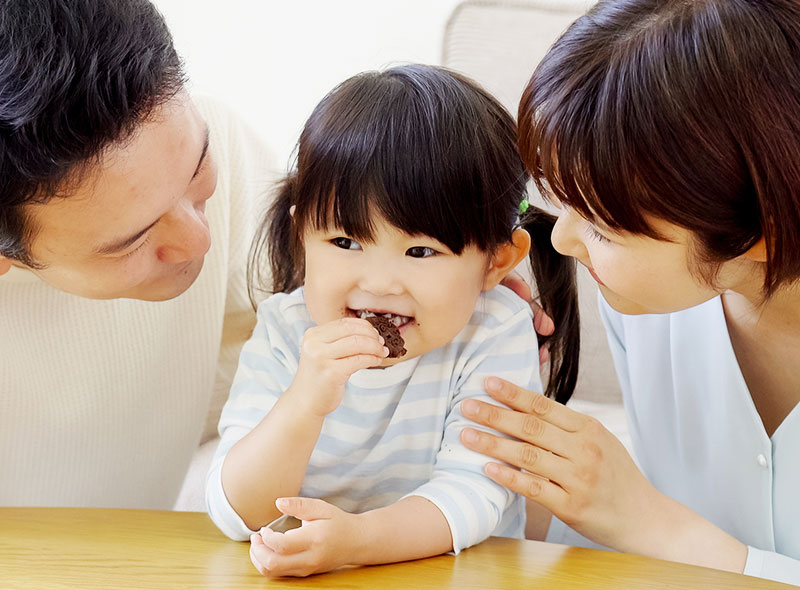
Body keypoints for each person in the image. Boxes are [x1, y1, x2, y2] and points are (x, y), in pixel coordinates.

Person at [458, 0, 800, 585]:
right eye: (562, 201)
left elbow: (654, 528)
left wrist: (649, 522)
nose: (562, 240)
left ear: (760, 234)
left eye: (600, 225)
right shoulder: (647, 307)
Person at [205, 64, 580, 578]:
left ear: (496, 261)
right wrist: (304, 402)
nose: (379, 282)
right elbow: (235, 512)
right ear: (301, 238)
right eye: (345, 243)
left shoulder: (492, 332)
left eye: (420, 250)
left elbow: (473, 494)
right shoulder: (286, 332)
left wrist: (357, 541)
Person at [0, 0, 275, 508]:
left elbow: (268, 391)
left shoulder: (215, 139)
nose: (198, 242)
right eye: (132, 240)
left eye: (197, 171)